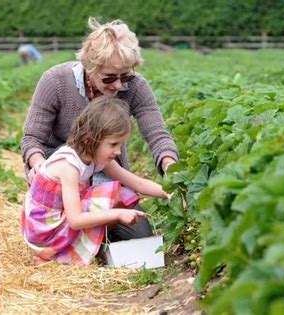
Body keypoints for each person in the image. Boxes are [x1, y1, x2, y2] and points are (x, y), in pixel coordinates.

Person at [21, 17, 179, 242]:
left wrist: (170, 168)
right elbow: (32, 138)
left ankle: (98, 235)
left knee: (139, 236)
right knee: (82, 229)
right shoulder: (55, 81)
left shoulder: (136, 87)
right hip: (62, 184)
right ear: (90, 67)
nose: (118, 85)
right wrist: (38, 165)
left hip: (105, 176)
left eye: (125, 76)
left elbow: (157, 134)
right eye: (109, 78)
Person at [21, 96, 172, 265]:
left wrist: (169, 191)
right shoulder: (69, 165)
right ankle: (53, 254)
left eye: (120, 145)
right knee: (113, 197)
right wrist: (118, 213)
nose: (118, 152)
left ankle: (90, 245)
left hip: (61, 219)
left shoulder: (96, 157)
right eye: (113, 144)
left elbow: (136, 183)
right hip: (45, 229)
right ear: (89, 140)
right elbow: (75, 220)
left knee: (124, 193)